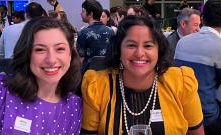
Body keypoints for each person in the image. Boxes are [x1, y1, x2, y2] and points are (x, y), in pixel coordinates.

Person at [81, 16, 204, 135]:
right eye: (131, 45)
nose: (139, 54)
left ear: (159, 50)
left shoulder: (181, 83)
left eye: (148, 46)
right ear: (119, 49)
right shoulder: (97, 86)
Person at [0, 17, 82, 134]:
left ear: (70, 55)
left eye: (60, 49)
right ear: (27, 54)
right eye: (40, 49)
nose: (51, 59)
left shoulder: (74, 106)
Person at [174, 0, 221, 134]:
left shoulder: (182, 42)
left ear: (202, 18)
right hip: (208, 117)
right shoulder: (218, 45)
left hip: (181, 113)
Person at [0, 2, 44, 74]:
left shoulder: (9, 29)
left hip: (13, 74)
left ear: (25, 14)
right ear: (42, 15)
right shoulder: (46, 31)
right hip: (38, 74)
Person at [77, 0, 114, 72]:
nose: (80, 14)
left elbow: (80, 59)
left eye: (83, 11)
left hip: (89, 75)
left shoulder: (83, 33)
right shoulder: (111, 31)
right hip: (108, 74)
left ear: (90, 14)